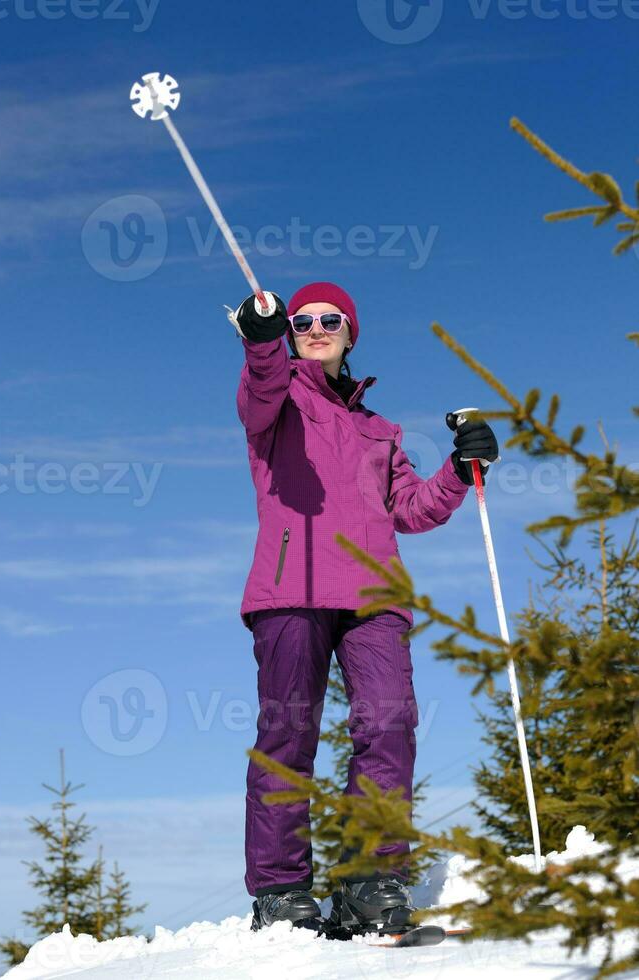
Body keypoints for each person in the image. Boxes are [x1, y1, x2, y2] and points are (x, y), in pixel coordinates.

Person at [230, 282, 498, 933]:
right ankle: (281, 890)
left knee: (388, 724)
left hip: (374, 598)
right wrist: (262, 342)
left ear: (350, 334)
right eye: (302, 322)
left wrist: (460, 473)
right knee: (288, 734)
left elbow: (410, 508)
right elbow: (259, 387)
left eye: (330, 320)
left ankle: (370, 880)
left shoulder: (379, 431)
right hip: (290, 590)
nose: (315, 328)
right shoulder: (277, 402)